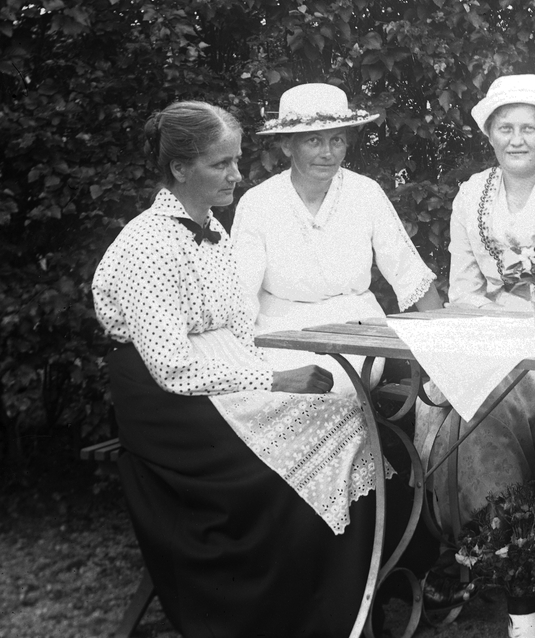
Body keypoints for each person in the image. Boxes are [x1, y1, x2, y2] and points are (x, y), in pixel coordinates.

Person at [92, 101, 394, 637]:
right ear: (180, 168)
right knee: (326, 432)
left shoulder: (210, 228)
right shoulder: (147, 244)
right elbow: (172, 368)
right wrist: (274, 380)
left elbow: (236, 325)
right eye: (220, 164)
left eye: (235, 161)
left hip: (219, 378)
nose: (236, 174)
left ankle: (335, 605)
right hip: (166, 407)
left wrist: (273, 378)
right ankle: (285, 612)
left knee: (346, 416)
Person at [417, 73, 535, 526]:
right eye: (505, 128)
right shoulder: (471, 193)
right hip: (487, 331)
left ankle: (506, 530)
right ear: (490, 135)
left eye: (529, 128)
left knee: (486, 394)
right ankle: (471, 534)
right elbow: (463, 290)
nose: (516, 140)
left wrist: (527, 324)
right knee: (448, 388)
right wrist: (495, 327)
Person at [231, 82, 441, 395]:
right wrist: (237, 359)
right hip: (278, 332)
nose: (328, 153)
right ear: (287, 145)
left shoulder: (364, 193)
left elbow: (408, 271)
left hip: (353, 334)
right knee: (276, 387)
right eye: (314, 140)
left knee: (331, 384)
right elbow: (240, 294)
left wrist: (447, 349)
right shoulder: (259, 202)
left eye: (337, 140)